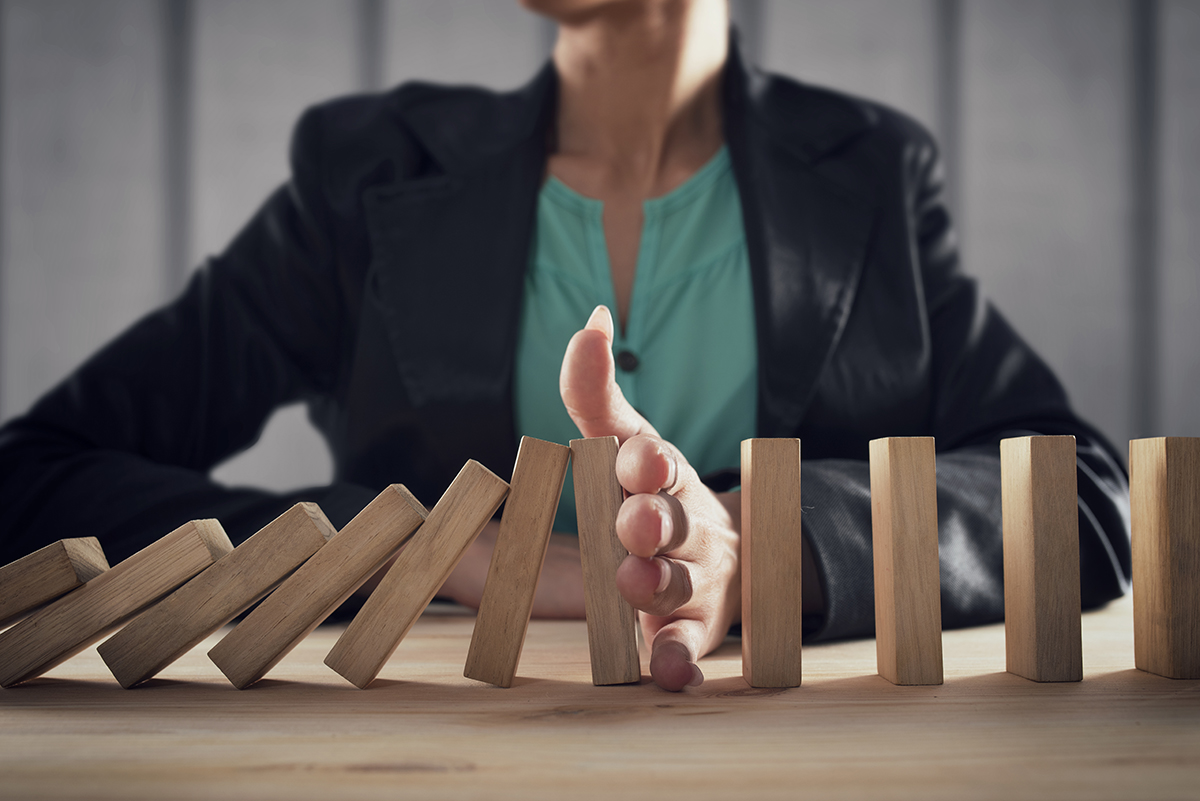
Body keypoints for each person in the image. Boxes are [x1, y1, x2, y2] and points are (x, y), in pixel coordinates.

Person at [0, 0, 1130, 692]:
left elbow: (1081, 498)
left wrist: (760, 548)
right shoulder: (369, 175)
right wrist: (433, 553)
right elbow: (30, 480)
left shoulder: (871, 172)